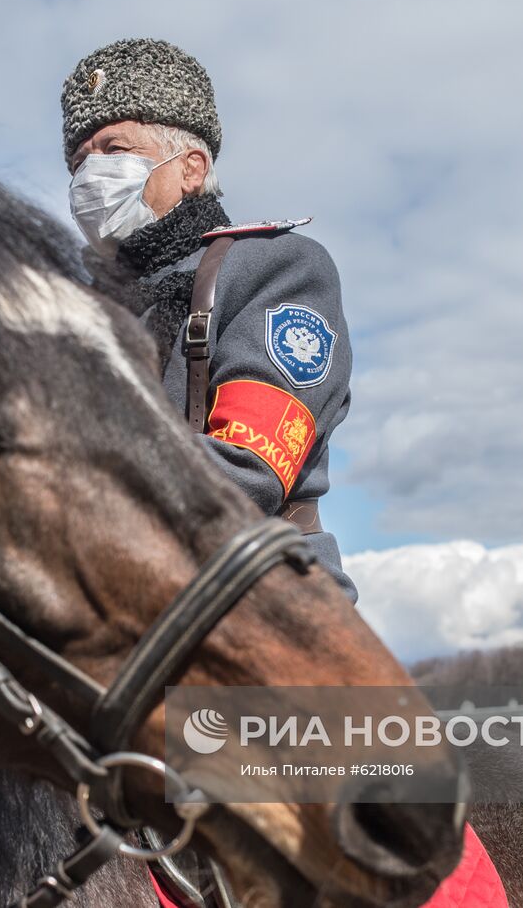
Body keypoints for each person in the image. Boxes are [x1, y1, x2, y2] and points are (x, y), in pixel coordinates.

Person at [61, 37, 358, 602]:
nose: (87, 175)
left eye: (112, 148)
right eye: (78, 162)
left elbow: (246, 470)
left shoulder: (278, 266)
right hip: (103, 604)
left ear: (191, 168)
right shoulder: (72, 307)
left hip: (262, 595)